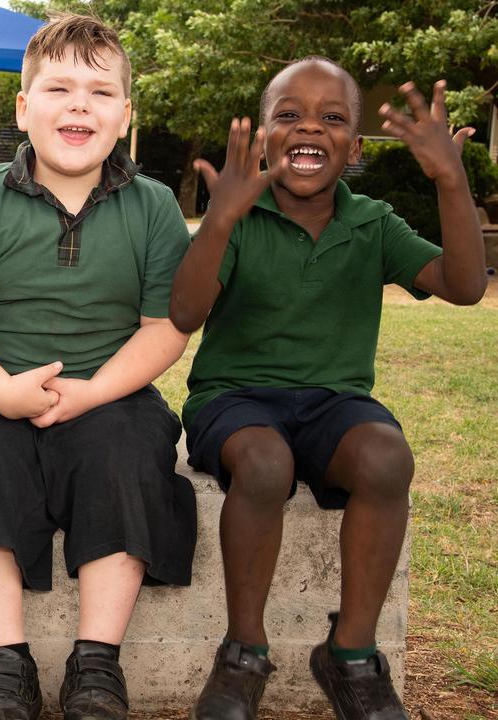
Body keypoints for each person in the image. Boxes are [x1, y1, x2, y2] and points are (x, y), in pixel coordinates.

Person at [171, 58, 486, 720]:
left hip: (334, 403)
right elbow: (184, 314)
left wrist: (451, 182)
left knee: (386, 457)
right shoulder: (241, 215)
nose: (309, 126)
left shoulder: (371, 221)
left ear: (355, 145)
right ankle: (244, 651)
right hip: (235, 400)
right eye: (289, 114)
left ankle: (350, 655)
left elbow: (464, 287)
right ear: (260, 135)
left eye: (333, 118)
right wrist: (220, 220)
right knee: (264, 462)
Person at [0, 14, 196, 720]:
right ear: (22, 107)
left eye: (101, 93)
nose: (79, 105)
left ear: (126, 115)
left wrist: (97, 390)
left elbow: (165, 328)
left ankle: (97, 661)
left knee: (129, 456)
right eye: (59, 88)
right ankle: (5, 662)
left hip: (111, 385)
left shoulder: (155, 205)